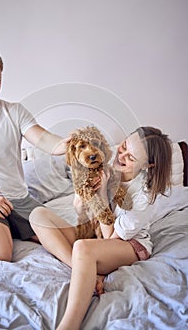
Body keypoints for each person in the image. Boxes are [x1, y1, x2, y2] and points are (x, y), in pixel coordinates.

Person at [30, 126, 173, 330]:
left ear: (148, 165)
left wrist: (103, 196)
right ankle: (85, 270)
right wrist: (80, 202)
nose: (120, 155)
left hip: (128, 245)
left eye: (130, 157)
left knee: (82, 247)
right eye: (123, 147)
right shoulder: (104, 167)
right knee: (38, 216)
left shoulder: (144, 197)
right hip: (97, 234)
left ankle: (69, 324)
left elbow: (111, 238)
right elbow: (83, 208)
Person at [0, 44, 68, 262]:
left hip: (19, 198)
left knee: (69, 238)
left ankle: (13, 228)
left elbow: (45, 141)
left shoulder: (14, 112)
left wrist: (69, 144)